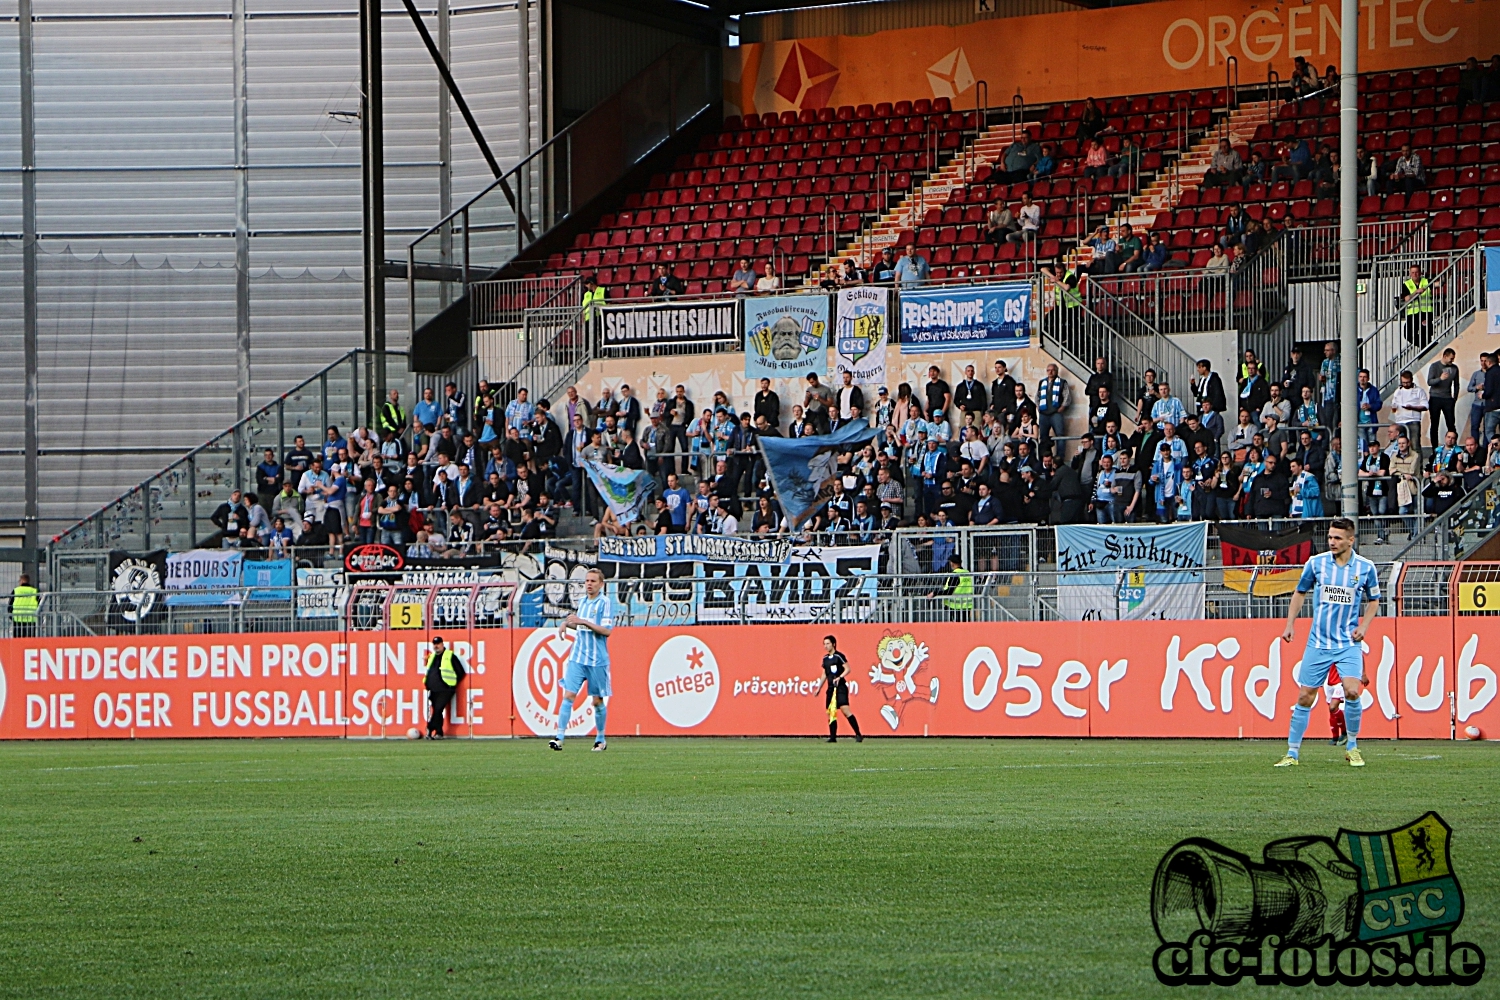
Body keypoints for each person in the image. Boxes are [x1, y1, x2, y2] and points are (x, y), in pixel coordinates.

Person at [1275, 519, 1380, 768]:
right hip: (1318, 643)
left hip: (1347, 643)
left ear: (1350, 540)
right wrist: (1290, 624)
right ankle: (1292, 753)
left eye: (1337, 538)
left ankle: (1352, 746)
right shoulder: (1316, 563)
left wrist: (1363, 626)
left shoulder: (1366, 567)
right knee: (1304, 697)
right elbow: (1300, 592)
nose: (1332, 542)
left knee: (1352, 691)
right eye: (1330, 537)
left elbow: (1374, 600)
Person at [550, 567, 614, 751]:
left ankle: (600, 739)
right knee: (568, 695)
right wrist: (565, 624)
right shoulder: (583, 602)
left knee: (597, 701)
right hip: (577, 657)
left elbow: (606, 631)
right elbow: (580, 627)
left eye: (593, 581)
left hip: (596, 660)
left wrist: (583, 621)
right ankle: (559, 737)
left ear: (601, 584)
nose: (589, 584)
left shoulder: (604, 603)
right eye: (587, 581)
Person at [422, 636, 467, 739]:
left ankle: (429, 727)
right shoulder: (432, 656)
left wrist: (452, 683)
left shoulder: (450, 655)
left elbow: (460, 672)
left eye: (438, 644)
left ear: (442, 644)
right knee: (437, 711)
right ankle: (439, 732)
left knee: (438, 709)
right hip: (433, 689)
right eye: (434, 644)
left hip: (446, 688)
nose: (436, 646)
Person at [820, 635, 863, 743]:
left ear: (833, 644)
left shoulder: (839, 656)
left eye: (828, 643)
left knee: (845, 710)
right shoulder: (825, 659)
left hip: (840, 687)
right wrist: (819, 687)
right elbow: (824, 674)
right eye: (824, 644)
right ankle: (833, 737)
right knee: (831, 712)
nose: (826, 646)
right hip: (830, 688)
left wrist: (840, 677)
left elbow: (847, 669)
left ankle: (858, 734)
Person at [9, 573, 38, 637]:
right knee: (30, 638)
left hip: (17, 618)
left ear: (21, 581)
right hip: (31, 618)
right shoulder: (35, 591)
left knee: (18, 638)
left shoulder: (16, 590)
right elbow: (39, 604)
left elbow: (10, 605)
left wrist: (11, 616)